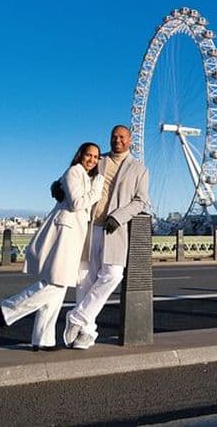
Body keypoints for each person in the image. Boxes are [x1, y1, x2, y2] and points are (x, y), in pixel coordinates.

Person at [0, 142, 104, 351]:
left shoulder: (84, 175)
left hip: (73, 234)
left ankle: (43, 339)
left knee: (57, 286)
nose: (92, 159)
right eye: (88, 155)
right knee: (56, 283)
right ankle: (8, 309)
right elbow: (77, 203)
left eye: (95, 157)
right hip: (65, 232)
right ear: (80, 155)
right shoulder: (74, 171)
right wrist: (98, 189)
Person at [61, 125, 150, 350]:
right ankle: (87, 333)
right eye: (113, 137)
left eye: (121, 137)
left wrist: (119, 216)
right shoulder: (99, 161)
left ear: (130, 140)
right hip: (90, 226)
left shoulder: (139, 169)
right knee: (85, 280)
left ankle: (77, 318)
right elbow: (75, 175)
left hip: (114, 230)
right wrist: (58, 186)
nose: (117, 140)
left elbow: (141, 201)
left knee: (113, 274)